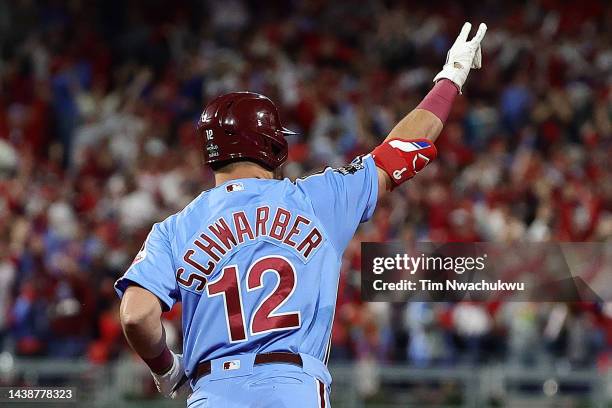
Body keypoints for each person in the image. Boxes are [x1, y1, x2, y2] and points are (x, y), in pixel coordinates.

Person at [115, 22, 487, 408]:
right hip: (294, 388)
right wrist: (450, 78)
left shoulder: (173, 230)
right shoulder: (316, 199)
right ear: (272, 144)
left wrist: (165, 368)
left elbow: (136, 316)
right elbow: (404, 147)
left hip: (213, 393)